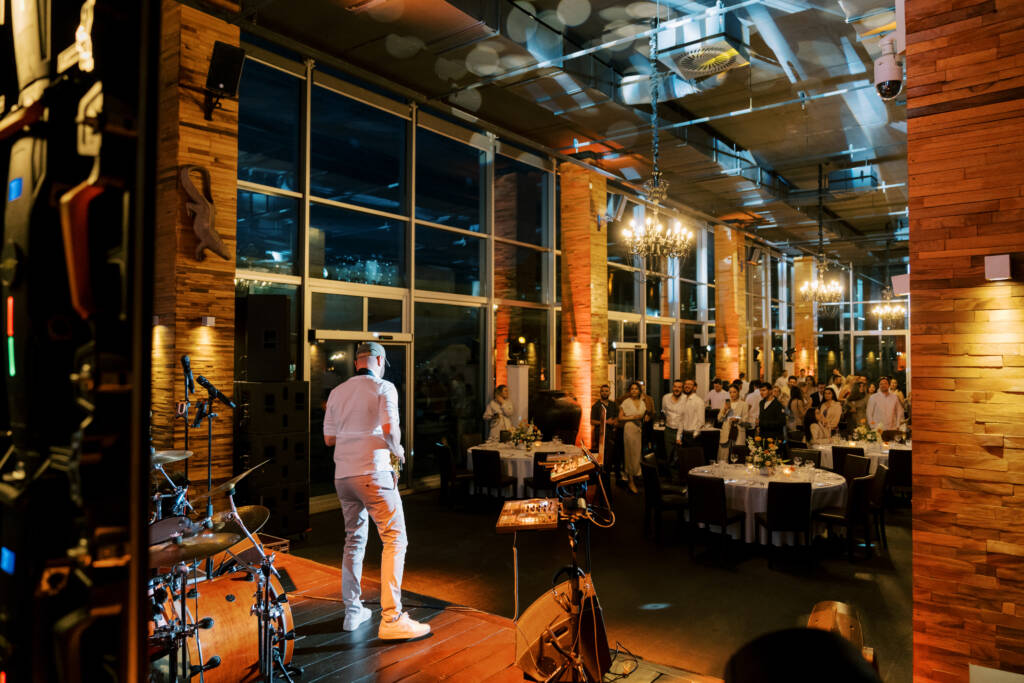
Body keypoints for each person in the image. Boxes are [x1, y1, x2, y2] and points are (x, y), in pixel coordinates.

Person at [323, 342, 430, 640]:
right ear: (380, 361)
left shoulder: (337, 392)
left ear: (357, 362)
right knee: (395, 539)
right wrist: (398, 451)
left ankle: (352, 611)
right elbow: (390, 430)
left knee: (354, 540)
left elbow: (329, 438)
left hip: (343, 476)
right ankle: (392, 618)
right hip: (373, 472)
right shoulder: (384, 387)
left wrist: (353, 433)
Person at [618, 382, 646, 494]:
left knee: (636, 454)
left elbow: (643, 415)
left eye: (636, 389)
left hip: (638, 430)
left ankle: (635, 475)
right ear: (629, 391)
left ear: (639, 391)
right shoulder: (626, 402)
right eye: (632, 389)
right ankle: (630, 480)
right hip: (629, 428)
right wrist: (632, 417)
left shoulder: (642, 402)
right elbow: (620, 418)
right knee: (629, 454)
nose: (634, 390)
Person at [718, 385, 750, 456]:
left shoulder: (744, 404)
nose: (732, 394)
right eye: (730, 392)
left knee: (737, 455)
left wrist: (737, 419)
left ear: (738, 392)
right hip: (726, 433)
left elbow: (746, 420)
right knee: (724, 456)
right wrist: (724, 410)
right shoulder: (726, 403)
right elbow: (719, 419)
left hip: (738, 432)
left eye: (734, 392)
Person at [590, 384, 616, 468]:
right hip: (600, 434)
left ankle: (608, 473)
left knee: (610, 456)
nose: (605, 393)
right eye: (603, 391)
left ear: (609, 392)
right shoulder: (596, 406)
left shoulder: (613, 404)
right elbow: (592, 421)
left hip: (611, 434)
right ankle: (601, 473)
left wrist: (614, 422)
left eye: (606, 391)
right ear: (600, 393)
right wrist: (605, 422)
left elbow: (617, 417)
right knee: (601, 457)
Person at [661, 379, 687, 462]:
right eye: (675, 386)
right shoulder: (665, 397)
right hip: (668, 430)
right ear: (672, 387)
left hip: (681, 431)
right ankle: (670, 471)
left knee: (679, 456)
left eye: (679, 387)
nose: (677, 389)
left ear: (682, 389)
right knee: (669, 456)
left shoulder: (686, 399)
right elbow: (664, 411)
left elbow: (686, 416)